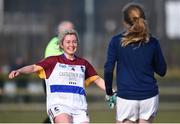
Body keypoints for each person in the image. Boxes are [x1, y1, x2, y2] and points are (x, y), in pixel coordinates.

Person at [9, 29, 105, 123]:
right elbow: (34, 68)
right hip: (59, 106)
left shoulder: (83, 63)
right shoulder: (52, 61)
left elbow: (97, 79)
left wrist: (112, 91)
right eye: (68, 42)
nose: (71, 45)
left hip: (80, 108)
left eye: (74, 42)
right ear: (61, 45)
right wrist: (19, 70)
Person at [104, 3, 167, 123]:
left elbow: (108, 69)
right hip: (150, 96)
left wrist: (109, 91)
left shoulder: (116, 41)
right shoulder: (153, 42)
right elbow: (162, 71)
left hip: (126, 97)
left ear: (125, 22)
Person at [43, 21, 74, 123]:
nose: (72, 32)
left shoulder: (64, 43)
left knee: (64, 111)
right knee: (59, 111)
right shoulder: (56, 43)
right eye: (69, 30)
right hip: (54, 82)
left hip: (60, 81)